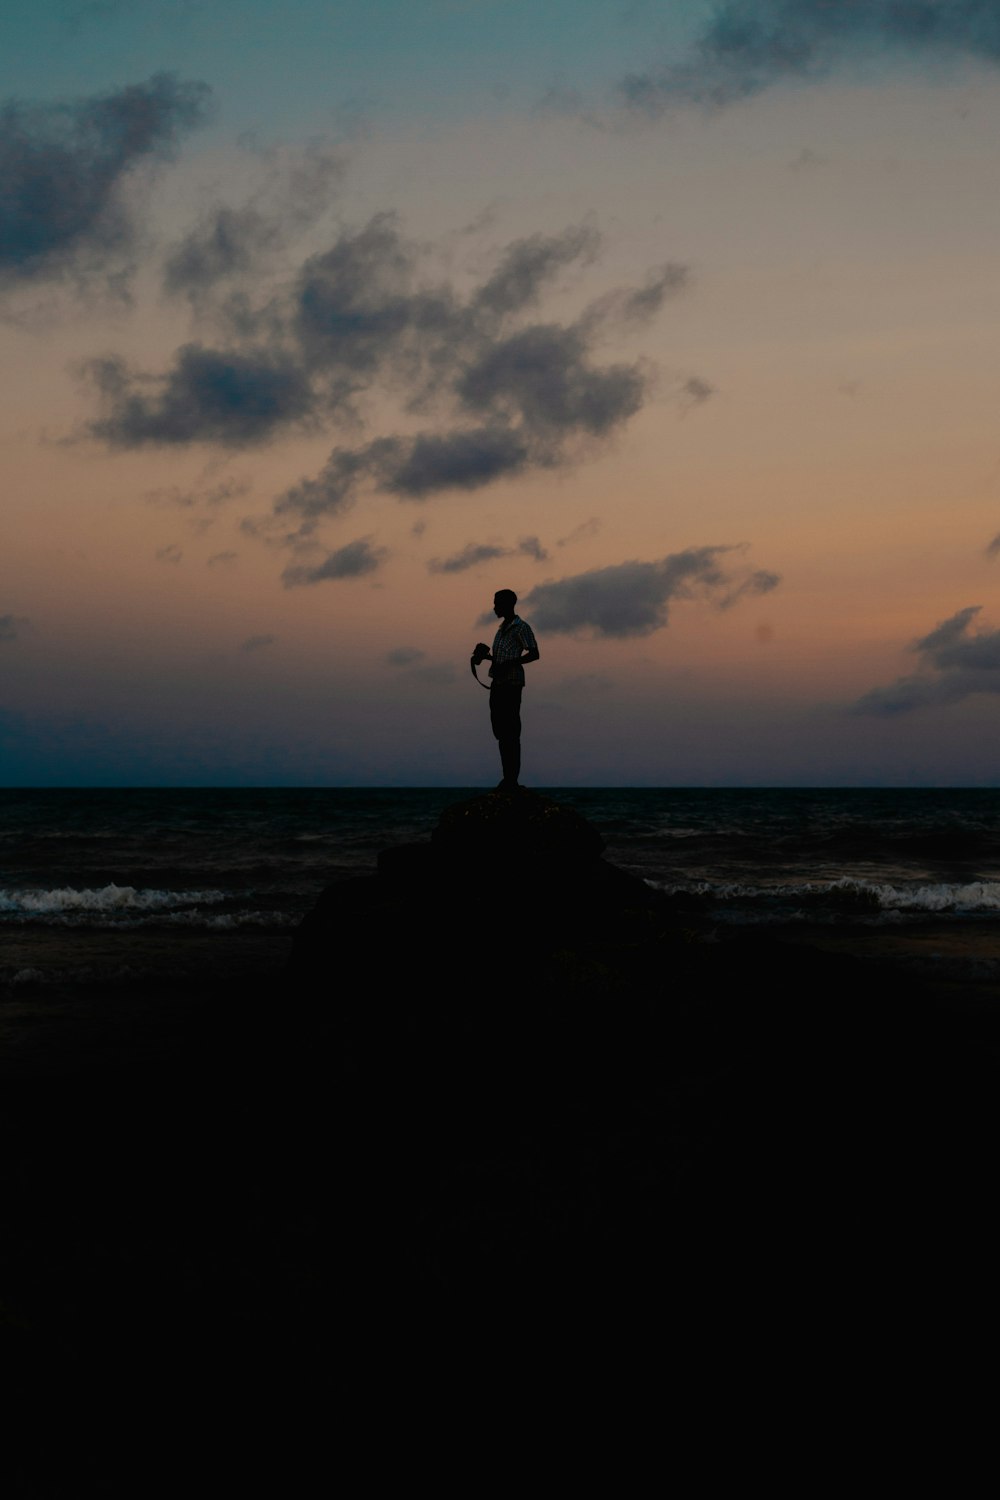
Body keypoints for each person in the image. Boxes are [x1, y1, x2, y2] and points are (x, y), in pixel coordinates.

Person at [480, 589, 539, 791]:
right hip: (498, 684)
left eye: (497, 603)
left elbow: (534, 653)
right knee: (500, 731)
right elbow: (501, 659)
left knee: (510, 732)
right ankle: (508, 778)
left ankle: (511, 779)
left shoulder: (520, 627)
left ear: (508, 604)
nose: (494, 607)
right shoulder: (501, 629)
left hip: (511, 684)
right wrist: (485, 657)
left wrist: (510, 664)